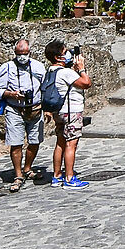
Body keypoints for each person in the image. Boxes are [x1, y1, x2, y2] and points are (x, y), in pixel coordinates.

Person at [0, 38, 47, 192]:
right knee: (16, 143)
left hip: (35, 109)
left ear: (29, 52)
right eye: (19, 53)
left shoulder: (38, 66)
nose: (22, 56)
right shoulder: (7, 67)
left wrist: (47, 108)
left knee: (35, 141)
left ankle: (27, 168)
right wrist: (12, 94)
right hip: (14, 109)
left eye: (25, 53)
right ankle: (18, 174)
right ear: (15, 53)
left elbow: (45, 86)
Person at [41, 39, 92, 189]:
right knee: (71, 144)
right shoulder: (66, 73)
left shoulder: (51, 71)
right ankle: (70, 178)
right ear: (58, 57)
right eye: (65, 52)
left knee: (60, 142)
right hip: (71, 111)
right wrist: (81, 69)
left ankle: (56, 175)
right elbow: (86, 83)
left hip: (59, 112)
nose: (68, 54)